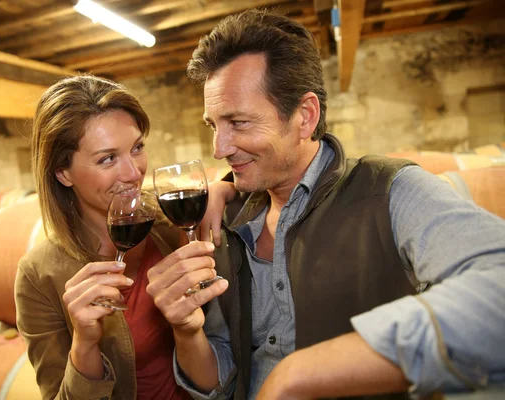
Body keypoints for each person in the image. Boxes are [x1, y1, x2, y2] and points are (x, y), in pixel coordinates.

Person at [145, 9, 505, 400]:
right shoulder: (224, 217)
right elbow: (220, 377)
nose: (219, 148)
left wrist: (299, 374)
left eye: (239, 123)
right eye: (213, 125)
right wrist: (185, 330)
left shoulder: (390, 190)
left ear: (305, 115)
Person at [14, 75, 230, 400]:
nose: (133, 173)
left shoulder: (172, 226)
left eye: (137, 148)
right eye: (107, 159)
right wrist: (84, 343)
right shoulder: (38, 275)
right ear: (63, 173)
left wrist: (225, 188)